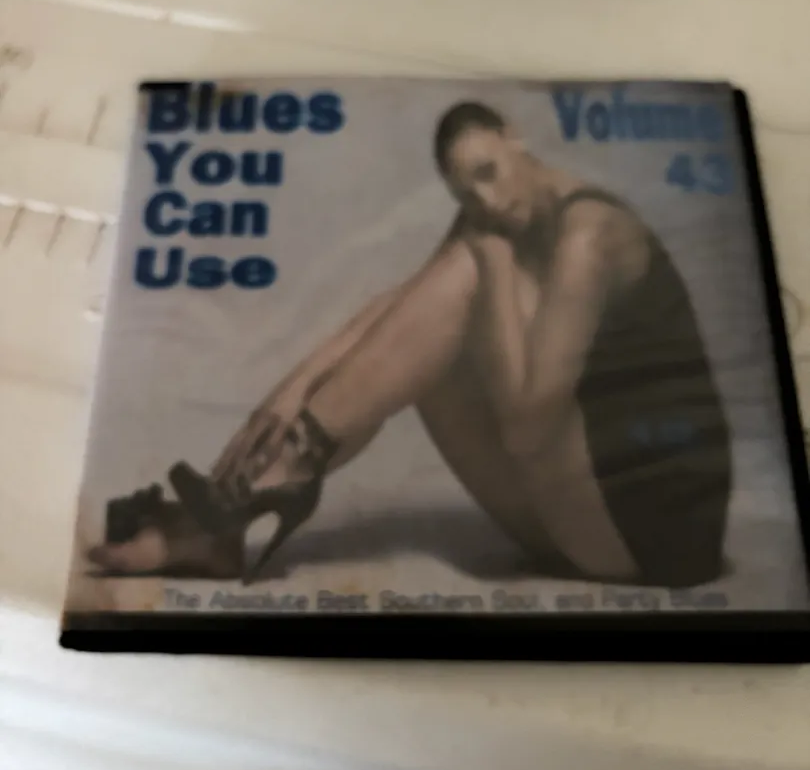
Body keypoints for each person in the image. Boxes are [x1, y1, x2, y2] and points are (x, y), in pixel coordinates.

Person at [88, 101, 731, 589]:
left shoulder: (589, 236)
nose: (486, 199)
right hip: (573, 515)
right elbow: (405, 313)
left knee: (468, 270)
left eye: (489, 172)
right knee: (437, 310)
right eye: (465, 191)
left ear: (514, 138)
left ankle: (241, 505)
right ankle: (257, 490)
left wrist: (493, 265)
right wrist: (287, 392)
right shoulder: (493, 214)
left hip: (649, 536)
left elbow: (528, 428)